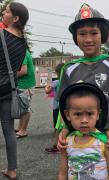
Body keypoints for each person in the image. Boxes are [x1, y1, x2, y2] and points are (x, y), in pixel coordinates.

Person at [56, 4, 109, 179]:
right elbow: (64, 106)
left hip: (107, 135)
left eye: (94, 33)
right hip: (78, 137)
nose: (88, 39)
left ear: (104, 36)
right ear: (76, 37)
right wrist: (63, 131)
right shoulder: (69, 69)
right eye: (82, 34)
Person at [57, 82, 109, 180]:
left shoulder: (105, 142)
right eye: (77, 114)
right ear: (67, 115)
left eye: (90, 114)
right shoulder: (66, 143)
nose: (84, 120)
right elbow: (62, 174)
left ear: (98, 114)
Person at [0, 2, 29, 179]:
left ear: (15, 18)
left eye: (7, 11)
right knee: (9, 131)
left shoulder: (1, 34)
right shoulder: (23, 42)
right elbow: (17, 68)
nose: (3, 12)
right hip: (8, 90)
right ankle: (12, 169)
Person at [15, 49, 36, 138]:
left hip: (25, 85)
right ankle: (20, 128)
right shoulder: (22, 51)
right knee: (22, 106)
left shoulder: (21, 52)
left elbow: (23, 71)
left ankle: (23, 130)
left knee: (25, 107)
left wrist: (9, 75)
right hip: (24, 84)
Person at [44, 63, 64, 153]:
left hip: (57, 106)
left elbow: (48, 91)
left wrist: (46, 87)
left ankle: (57, 144)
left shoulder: (56, 82)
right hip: (64, 106)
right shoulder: (66, 81)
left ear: (57, 72)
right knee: (63, 124)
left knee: (57, 125)